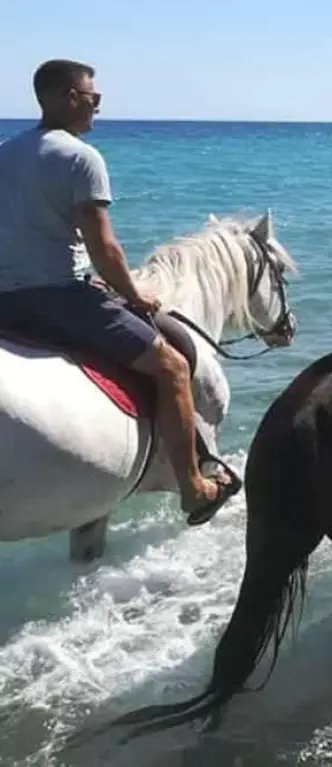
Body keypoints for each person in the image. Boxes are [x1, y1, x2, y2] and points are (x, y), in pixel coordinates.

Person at [0, 59, 238, 525]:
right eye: (94, 97)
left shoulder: (4, 153)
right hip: (56, 297)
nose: (97, 106)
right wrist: (132, 293)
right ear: (69, 96)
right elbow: (102, 244)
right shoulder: (78, 157)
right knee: (171, 367)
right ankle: (193, 488)